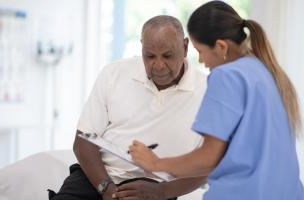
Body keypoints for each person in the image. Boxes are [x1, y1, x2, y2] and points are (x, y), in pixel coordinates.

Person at [126, 1, 304, 200]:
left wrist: (155, 163)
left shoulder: (226, 76)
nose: (201, 61)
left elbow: (209, 158)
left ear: (221, 47)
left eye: (200, 51)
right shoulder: (264, 72)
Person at [48, 15, 208, 200]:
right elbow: (83, 141)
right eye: (149, 56)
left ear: (185, 47)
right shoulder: (113, 74)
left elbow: (208, 163)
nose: (158, 65)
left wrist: (163, 192)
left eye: (167, 55)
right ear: (141, 48)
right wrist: (107, 190)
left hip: (156, 190)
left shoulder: (208, 91)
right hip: (98, 180)